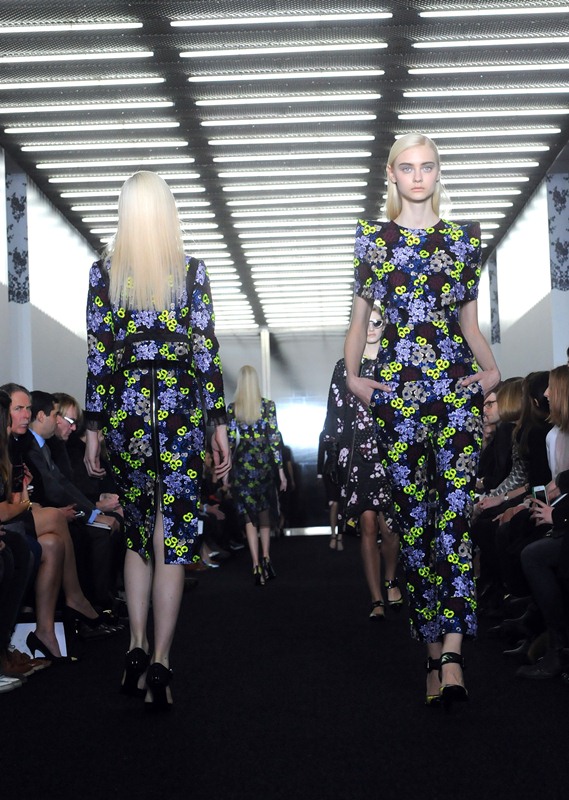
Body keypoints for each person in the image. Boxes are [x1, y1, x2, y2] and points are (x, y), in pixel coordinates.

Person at [344, 133, 500, 708]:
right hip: (398, 397)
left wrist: (492, 371)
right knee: (414, 528)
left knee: (455, 520)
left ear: (438, 173)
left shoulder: (463, 239)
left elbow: (469, 324)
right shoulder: (373, 239)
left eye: (427, 167)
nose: (417, 176)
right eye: (407, 167)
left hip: (455, 393)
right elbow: (359, 319)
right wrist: (354, 378)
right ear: (391, 173)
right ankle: (432, 655)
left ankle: (453, 657)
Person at [83, 170, 230, 710]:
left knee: (136, 534)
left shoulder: (105, 273)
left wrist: (93, 428)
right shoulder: (190, 270)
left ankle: (136, 645)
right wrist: (219, 424)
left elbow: (99, 354)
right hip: (179, 410)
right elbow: (205, 349)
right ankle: (163, 659)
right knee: (174, 536)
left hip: (127, 412)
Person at [322, 304, 401, 620]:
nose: (370, 327)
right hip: (356, 455)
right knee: (367, 524)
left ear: (385, 326)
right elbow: (334, 412)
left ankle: (391, 578)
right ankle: (376, 597)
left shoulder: (396, 363)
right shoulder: (345, 367)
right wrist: (333, 453)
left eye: (376, 322)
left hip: (391, 453)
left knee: (390, 526)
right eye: (365, 322)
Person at [227, 365, 286, 585]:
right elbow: (274, 439)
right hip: (264, 463)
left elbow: (230, 442)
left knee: (248, 516)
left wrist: (224, 472)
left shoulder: (234, 408)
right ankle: (266, 558)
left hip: (243, 463)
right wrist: (281, 472)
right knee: (264, 513)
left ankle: (255, 564)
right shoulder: (268, 406)